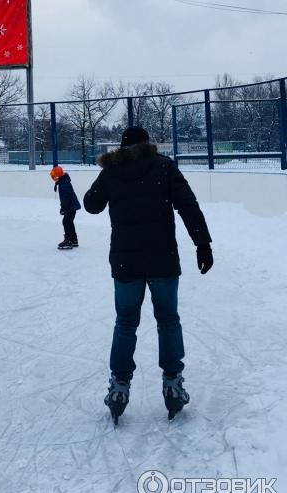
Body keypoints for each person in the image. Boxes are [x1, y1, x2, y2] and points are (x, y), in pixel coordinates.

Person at [83, 126, 213, 423]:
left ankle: (119, 385)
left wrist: (107, 176)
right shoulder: (164, 167)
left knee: (126, 322)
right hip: (162, 259)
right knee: (168, 319)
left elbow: (91, 205)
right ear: (147, 145)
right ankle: (172, 383)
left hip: (126, 262)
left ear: (121, 147)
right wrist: (202, 243)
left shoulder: (113, 171)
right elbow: (187, 206)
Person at [50, 165, 81, 250]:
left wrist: (63, 208)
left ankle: (69, 241)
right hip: (71, 206)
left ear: (58, 175)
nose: (53, 178)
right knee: (69, 222)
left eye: (54, 176)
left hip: (70, 206)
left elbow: (66, 197)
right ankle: (74, 240)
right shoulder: (63, 181)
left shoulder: (64, 183)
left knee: (66, 222)